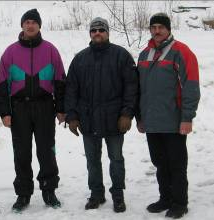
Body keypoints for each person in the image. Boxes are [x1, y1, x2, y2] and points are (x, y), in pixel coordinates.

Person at [0, 9, 66, 211]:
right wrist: (5, 112)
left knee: (47, 151)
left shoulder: (51, 50)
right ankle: (23, 194)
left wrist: (61, 108)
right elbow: (1, 85)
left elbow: (60, 81)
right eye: (27, 22)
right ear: (22, 25)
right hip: (19, 109)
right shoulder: (10, 52)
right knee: (22, 152)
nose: (30, 25)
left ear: (39, 25)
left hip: (44, 106)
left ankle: (49, 190)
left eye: (34, 22)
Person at [65, 17, 138, 212]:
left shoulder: (121, 56)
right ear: (90, 33)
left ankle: (118, 195)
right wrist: (72, 117)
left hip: (115, 119)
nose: (97, 33)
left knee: (116, 159)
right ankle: (96, 193)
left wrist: (127, 114)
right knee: (92, 160)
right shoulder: (80, 59)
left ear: (107, 33)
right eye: (94, 30)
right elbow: (71, 89)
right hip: (88, 119)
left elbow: (131, 87)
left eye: (101, 30)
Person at [136, 13, 200, 219]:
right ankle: (165, 198)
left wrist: (187, 118)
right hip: (152, 121)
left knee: (176, 164)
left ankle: (180, 203)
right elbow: (140, 89)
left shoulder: (181, 52)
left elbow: (191, 86)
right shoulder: (144, 54)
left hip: (174, 121)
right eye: (153, 27)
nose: (156, 31)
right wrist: (140, 117)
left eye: (160, 27)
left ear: (168, 29)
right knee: (160, 163)